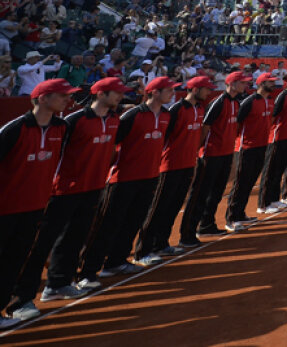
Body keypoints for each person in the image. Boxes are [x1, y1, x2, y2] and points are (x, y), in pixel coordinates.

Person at [9, 78, 124, 310]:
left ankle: (58, 283)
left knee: (75, 237)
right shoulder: (73, 121)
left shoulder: (113, 120)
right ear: (100, 94)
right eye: (64, 95)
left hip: (93, 188)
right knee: (42, 243)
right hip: (62, 191)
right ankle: (21, 297)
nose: (68, 99)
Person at [78, 75, 176, 282]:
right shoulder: (133, 115)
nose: (173, 93)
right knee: (108, 225)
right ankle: (87, 270)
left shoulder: (166, 115)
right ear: (154, 92)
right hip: (123, 179)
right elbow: (113, 142)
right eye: (169, 90)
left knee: (133, 222)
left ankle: (117, 261)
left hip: (149, 176)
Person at [0, 79, 73, 328]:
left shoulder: (61, 127)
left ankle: (11, 306)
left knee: (15, 260)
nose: (68, 100)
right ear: (43, 98)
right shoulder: (14, 129)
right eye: (62, 96)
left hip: (35, 207)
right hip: (5, 208)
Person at [136, 75, 213, 261]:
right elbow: (164, 137)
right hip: (170, 166)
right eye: (206, 89)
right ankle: (144, 250)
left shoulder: (199, 108)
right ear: (195, 89)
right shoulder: (176, 109)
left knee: (174, 206)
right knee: (158, 208)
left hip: (188, 164)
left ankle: (162, 244)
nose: (209, 92)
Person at [179, 71, 250, 243]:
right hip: (211, 154)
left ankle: (207, 224)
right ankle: (187, 233)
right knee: (200, 193)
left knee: (216, 192)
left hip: (226, 153)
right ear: (232, 84)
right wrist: (199, 150)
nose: (245, 85)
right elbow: (205, 127)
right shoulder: (218, 102)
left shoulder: (236, 103)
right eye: (242, 82)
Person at [226, 73, 274, 228]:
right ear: (261, 83)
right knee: (241, 182)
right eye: (270, 82)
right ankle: (231, 218)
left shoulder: (268, 101)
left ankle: (240, 213)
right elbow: (237, 123)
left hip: (261, 145)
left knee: (250, 182)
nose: (273, 84)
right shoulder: (249, 101)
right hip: (246, 147)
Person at [259, 72, 287, 214]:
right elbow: (273, 117)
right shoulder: (283, 96)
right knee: (270, 172)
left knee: (279, 170)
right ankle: (263, 204)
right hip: (277, 138)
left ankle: (274, 199)